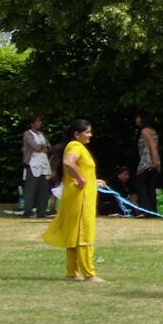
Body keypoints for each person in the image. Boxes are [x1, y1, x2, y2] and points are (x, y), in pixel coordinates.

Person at [41, 119, 107, 282]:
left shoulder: (75, 146)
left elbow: (79, 168)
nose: (90, 135)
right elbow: (68, 162)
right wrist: (82, 179)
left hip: (78, 195)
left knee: (74, 233)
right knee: (84, 233)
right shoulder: (76, 146)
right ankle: (89, 273)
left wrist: (93, 180)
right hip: (81, 198)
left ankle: (72, 271)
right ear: (76, 134)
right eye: (87, 132)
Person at [21, 115, 53, 219]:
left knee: (43, 189)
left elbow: (49, 146)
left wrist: (44, 147)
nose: (40, 123)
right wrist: (42, 147)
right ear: (32, 124)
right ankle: (28, 211)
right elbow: (35, 146)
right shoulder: (27, 134)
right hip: (32, 163)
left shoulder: (41, 134)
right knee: (31, 189)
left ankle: (41, 211)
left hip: (43, 164)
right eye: (38, 122)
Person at [134, 113, 161, 216]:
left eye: (137, 117)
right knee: (150, 185)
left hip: (147, 161)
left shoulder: (145, 131)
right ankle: (152, 211)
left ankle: (145, 210)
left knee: (140, 184)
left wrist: (154, 161)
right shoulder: (153, 131)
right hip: (152, 161)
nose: (136, 119)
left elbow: (152, 146)